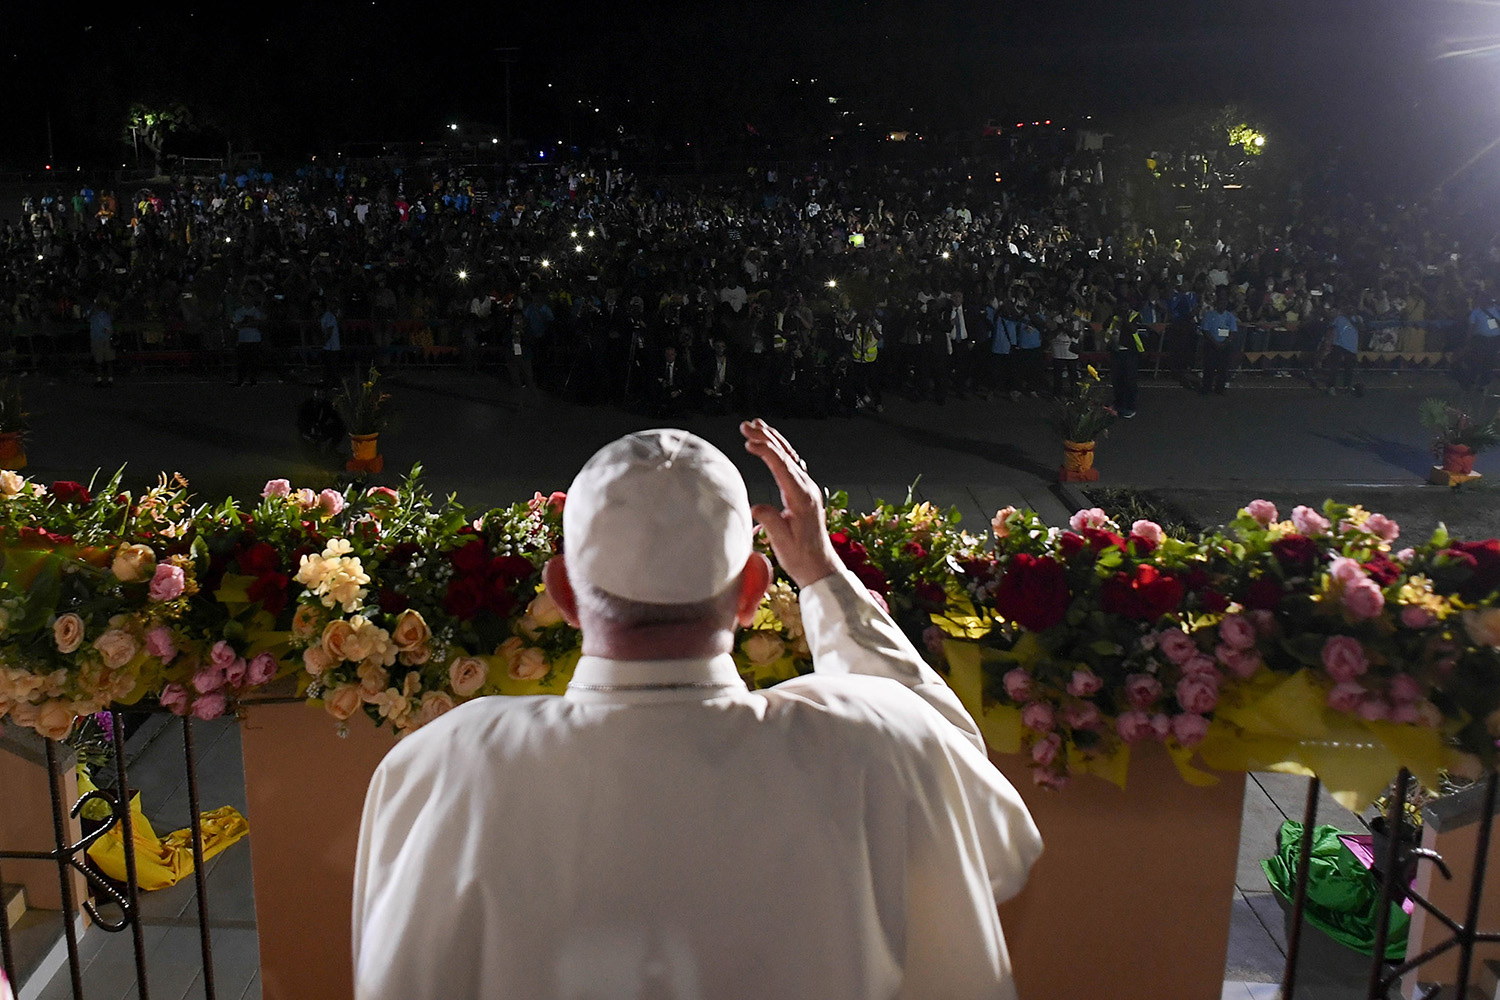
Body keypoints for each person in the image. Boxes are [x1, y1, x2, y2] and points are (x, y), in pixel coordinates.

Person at [353, 421, 1042, 1000]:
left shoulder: (446, 767)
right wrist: (825, 578)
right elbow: (992, 832)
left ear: (563, 592)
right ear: (751, 591)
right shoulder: (878, 745)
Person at [1197, 287, 1238, 395]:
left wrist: (1225, 343)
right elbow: (1205, 330)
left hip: (1225, 345)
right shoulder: (1209, 315)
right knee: (1209, 368)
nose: (1222, 304)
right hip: (1211, 345)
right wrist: (1215, 342)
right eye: (1220, 302)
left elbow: (1233, 331)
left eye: (1224, 302)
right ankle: (1207, 388)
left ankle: (1220, 388)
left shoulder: (1230, 316)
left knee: (1223, 369)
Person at [89, 296, 116, 387]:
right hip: (103, 339)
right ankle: (107, 378)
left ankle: (102, 379)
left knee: (100, 361)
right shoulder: (104, 315)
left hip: (101, 339)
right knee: (105, 361)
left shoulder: (100, 316)